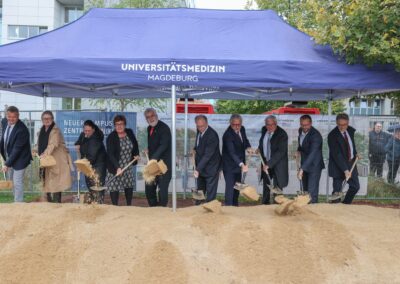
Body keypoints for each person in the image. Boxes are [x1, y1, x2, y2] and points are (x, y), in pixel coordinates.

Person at [37, 111, 73, 203]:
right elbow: (39, 144)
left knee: (57, 184)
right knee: (46, 183)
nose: (47, 120)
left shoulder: (55, 131)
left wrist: (44, 154)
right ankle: (49, 204)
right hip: (46, 161)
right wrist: (34, 151)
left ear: (52, 119)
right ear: (42, 120)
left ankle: (57, 205)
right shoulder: (42, 130)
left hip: (56, 161)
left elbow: (53, 144)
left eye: (49, 118)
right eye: (45, 118)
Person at [0, 106, 32, 202]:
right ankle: (16, 200)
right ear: (6, 115)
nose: (11, 119)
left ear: (18, 116)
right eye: (9, 116)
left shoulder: (22, 130)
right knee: (12, 181)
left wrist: (7, 164)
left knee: (17, 182)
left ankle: (19, 203)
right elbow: (4, 138)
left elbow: (17, 150)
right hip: (9, 156)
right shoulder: (5, 121)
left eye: (14, 117)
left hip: (20, 159)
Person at [106, 115, 139, 206]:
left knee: (128, 185)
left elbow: (135, 144)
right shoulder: (111, 137)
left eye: (121, 124)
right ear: (114, 125)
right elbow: (111, 154)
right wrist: (117, 168)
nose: (119, 126)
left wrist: (136, 155)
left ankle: (129, 205)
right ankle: (115, 206)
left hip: (127, 165)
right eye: (117, 124)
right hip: (114, 166)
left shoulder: (130, 132)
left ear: (125, 125)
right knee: (114, 187)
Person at [328, 113, 360, 204]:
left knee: (355, 186)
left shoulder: (350, 130)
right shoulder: (332, 136)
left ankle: (345, 204)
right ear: (336, 123)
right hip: (338, 165)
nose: (342, 127)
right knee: (337, 191)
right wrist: (345, 170)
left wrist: (355, 153)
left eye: (344, 125)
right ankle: (334, 208)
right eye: (339, 125)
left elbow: (350, 145)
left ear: (348, 123)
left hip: (351, 163)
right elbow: (337, 154)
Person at [258, 115, 288, 205]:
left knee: (277, 187)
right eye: (267, 124)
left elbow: (281, 152)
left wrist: (269, 164)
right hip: (266, 161)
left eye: (272, 125)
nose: (269, 127)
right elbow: (263, 142)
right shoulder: (264, 130)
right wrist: (259, 148)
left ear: (276, 124)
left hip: (277, 164)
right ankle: (265, 204)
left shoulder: (282, 134)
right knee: (266, 184)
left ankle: (277, 206)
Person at [144, 108, 171, 207]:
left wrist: (153, 158)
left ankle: (162, 211)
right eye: (148, 117)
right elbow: (154, 144)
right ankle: (153, 209)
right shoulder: (149, 128)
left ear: (156, 115)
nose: (151, 118)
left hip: (163, 165)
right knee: (149, 188)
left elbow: (163, 145)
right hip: (153, 164)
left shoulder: (164, 128)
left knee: (162, 190)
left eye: (152, 115)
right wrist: (149, 150)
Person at [222, 114, 251, 206]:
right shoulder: (227, 135)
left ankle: (235, 206)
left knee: (237, 187)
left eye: (238, 124)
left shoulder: (242, 129)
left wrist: (248, 147)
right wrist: (242, 164)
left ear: (241, 123)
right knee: (230, 188)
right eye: (234, 124)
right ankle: (228, 208)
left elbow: (245, 140)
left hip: (239, 165)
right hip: (229, 166)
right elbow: (232, 152)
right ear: (230, 123)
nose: (237, 126)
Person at [75, 120, 107, 204]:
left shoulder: (96, 138)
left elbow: (91, 156)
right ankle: (93, 204)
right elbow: (79, 142)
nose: (87, 132)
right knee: (90, 185)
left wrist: (81, 165)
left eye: (89, 131)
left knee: (97, 186)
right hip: (87, 164)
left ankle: (99, 205)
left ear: (93, 130)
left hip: (98, 165)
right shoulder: (83, 134)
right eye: (85, 130)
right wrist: (78, 144)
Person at [296, 115, 325, 203]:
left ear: (311, 123)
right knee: (305, 191)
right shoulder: (300, 130)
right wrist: (298, 150)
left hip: (314, 166)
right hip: (305, 164)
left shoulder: (316, 136)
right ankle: (306, 211)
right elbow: (303, 144)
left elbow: (312, 154)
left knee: (312, 192)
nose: (304, 127)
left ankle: (313, 210)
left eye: (306, 125)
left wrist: (302, 169)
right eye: (302, 125)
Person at [193, 115, 221, 204]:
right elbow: (199, 143)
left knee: (210, 194)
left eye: (202, 126)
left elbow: (207, 155)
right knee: (199, 190)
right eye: (198, 126)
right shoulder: (199, 130)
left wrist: (197, 169)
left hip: (211, 168)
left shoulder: (212, 135)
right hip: (201, 167)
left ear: (207, 123)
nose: (200, 128)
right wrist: (195, 149)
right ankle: (197, 208)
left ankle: (210, 212)